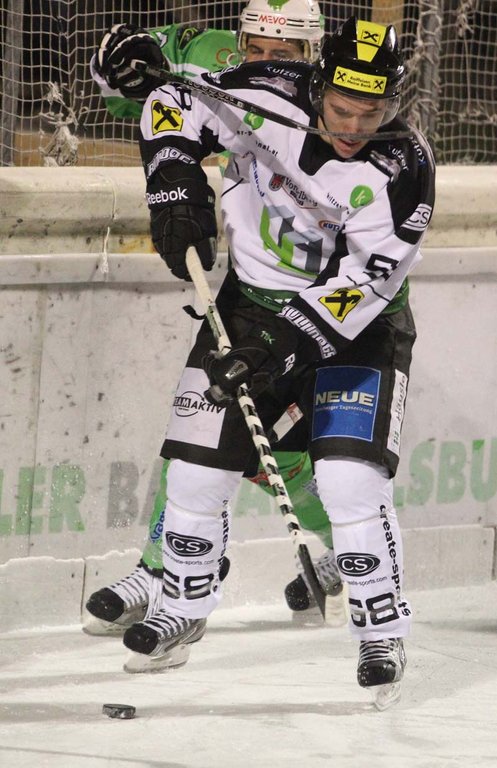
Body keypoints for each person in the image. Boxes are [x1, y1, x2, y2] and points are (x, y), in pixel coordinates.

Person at [120, 15, 436, 706]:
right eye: (341, 108)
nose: (354, 126)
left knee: (348, 482)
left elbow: (370, 281)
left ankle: (381, 630)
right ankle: (182, 604)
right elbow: (171, 99)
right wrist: (173, 186)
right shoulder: (264, 89)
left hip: (359, 329)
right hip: (248, 306)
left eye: (373, 112)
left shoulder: (403, 167)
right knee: (196, 470)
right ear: (317, 86)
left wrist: (280, 347)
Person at [83, 0, 344, 639]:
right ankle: (164, 570)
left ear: (311, 53)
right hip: (247, 288)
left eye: (283, 55)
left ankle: (353, 547)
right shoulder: (206, 53)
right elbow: (125, 88)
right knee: (199, 425)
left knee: (280, 455)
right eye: (255, 49)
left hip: (325, 299)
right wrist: (120, 66)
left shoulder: (339, 95)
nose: (265, 64)